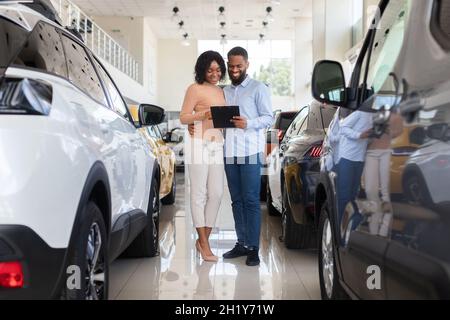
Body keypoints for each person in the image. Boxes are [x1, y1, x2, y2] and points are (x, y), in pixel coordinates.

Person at [221, 47, 273, 266]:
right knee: (236, 201)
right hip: (229, 152)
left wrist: (248, 123)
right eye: (231, 66)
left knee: (251, 200)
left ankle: (253, 248)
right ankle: (241, 242)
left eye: (238, 66)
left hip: (250, 151)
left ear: (247, 65)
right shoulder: (224, 91)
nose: (234, 70)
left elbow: (269, 118)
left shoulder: (258, 88)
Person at [180, 51, 227, 262]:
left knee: (216, 193)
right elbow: (184, 117)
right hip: (198, 143)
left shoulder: (220, 91)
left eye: (218, 70)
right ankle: (204, 243)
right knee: (198, 193)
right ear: (202, 70)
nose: (214, 74)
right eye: (210, 70)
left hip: (217, 144)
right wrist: (202, 115)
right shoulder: (194, 88)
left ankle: (202, 240)